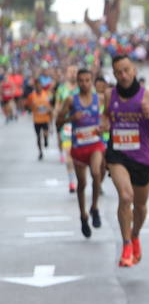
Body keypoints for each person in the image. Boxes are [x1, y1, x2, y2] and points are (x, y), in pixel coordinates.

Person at [104, 53, 149, 267]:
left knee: (140, 206)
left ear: (134, 70)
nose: (123, 75)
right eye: (118, 72)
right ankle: (126, 247)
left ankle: (135, 235)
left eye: (126, 70)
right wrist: (104, 123)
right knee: (125, 196)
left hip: (141, 157)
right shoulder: (109, 95)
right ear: (114, 74)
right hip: (117, 154)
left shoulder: (148, 97)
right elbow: (106, 115)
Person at [53, 67, 106, 238]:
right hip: (78, 147)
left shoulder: (99, 99)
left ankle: (95, 207)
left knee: (97, 173)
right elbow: (58, 121)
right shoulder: (70, 100)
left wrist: (104, 126)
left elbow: (109, 116)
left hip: (95, 144)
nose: (84, 84)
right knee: (82, 184)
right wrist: (70, 118)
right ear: (77, 82)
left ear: (92, 81)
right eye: (81, 81)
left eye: (87, 80)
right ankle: (83, 216)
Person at [26, 78, 52, 159]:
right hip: (36, 119)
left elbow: (50, 106)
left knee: (45, 132)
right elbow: (28, 107)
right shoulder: (31, 96)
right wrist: (32, 108)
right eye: (36, 86)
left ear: (41, 86)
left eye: (39, 86)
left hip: (45, 118)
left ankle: (46, 139)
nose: (38, 87)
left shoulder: (46, 94)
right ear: (35, 86)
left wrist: (49, 110)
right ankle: (40, 152)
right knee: (38, 137)